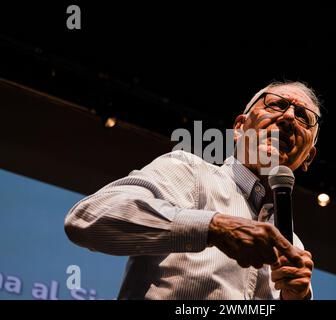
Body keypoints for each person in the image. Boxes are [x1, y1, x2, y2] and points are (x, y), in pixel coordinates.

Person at [64, 80, 321, 300]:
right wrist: (214, 228)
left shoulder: (294, 246)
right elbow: (88, 218)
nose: (289, 118)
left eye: (303, 117)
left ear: (308, 158)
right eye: (277, 104)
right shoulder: (189, 171)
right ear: (240, 127)